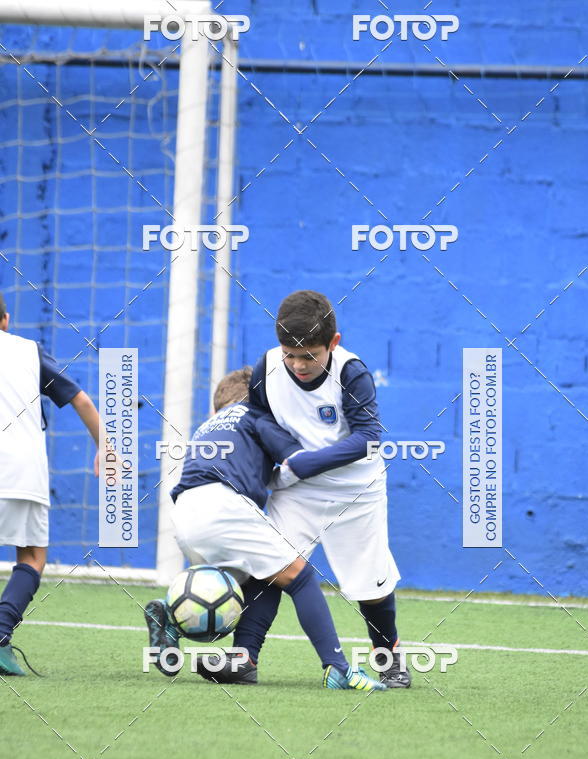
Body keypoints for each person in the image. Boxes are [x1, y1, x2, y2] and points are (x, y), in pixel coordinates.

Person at [211, 290, 411, 688]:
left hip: (356, 491)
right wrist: (287, 455)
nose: (298, 365)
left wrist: (307, 461)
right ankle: (243, 657)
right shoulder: (266, 367)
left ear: (333, 344)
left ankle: (387, 656)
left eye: (309, 356)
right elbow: (256, 417)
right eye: (290, 354)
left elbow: (369, 437)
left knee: (370, 585)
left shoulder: (352, 372)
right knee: (271, 567)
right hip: (296, 490)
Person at [144, 366, 385, 691]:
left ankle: (176, 621)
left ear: (217, 407)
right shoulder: (256, 415)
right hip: (223, 507)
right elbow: (296, 462)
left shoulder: (206, 426)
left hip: (184, 514)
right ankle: (337, 667)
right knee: (300, 578)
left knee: (258, 578)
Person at [0, 294, 101, 675]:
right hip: (22, 472)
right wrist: (105, 447)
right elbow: (80, 400)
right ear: (6, 320)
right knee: (31, 557)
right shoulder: (28, 351)